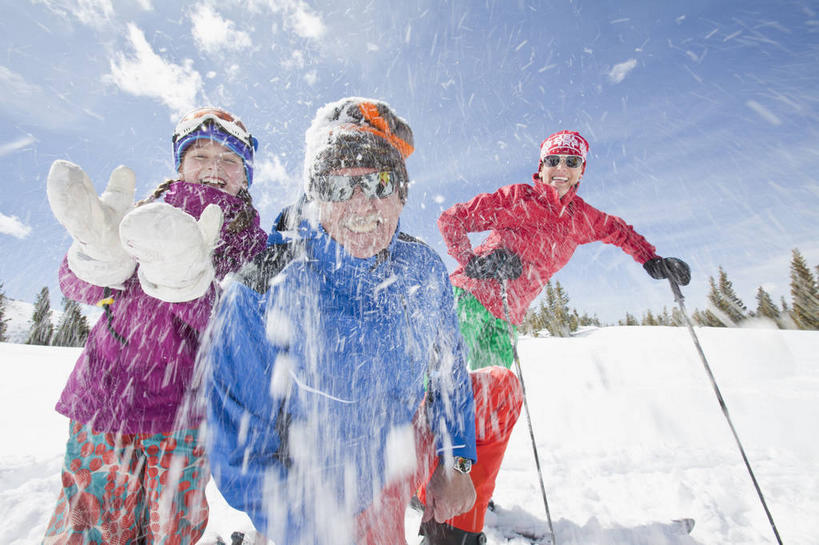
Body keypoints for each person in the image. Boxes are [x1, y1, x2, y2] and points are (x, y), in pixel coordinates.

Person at [204, 97, 522, 545]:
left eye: (377, 182)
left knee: (498, 390)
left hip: (397, 443)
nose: (360, 204)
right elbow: (239, 448)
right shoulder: (263, 285)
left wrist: (457, 463)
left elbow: (449, 379)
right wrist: (305, 525)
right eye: (337, 188)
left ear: (401, 193)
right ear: (315, 199)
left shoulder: (422, 270)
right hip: (327, 486)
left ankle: (450, 530)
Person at [41, 108, 267, 545]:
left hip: (184, 417)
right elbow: (78, 288)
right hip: (102, 401)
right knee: (91, 528)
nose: (214, 169)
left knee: (171, 530)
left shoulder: (250, 244)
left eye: (229, 160)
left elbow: (239, 333)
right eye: (201, 155)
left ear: (246, 175)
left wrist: (192, 288)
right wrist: (95, 257)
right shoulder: (143, 214)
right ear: (180, 165)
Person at [438, 130, 691, 370]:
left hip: (507, 317)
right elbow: (451, 219)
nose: (561, 168)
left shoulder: (581, 218)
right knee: (438, 375)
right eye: (552, 160)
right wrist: (471, 261)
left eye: (571, 161)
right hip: (469, 298)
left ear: (581, 171)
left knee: (492, 395)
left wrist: (652, 260)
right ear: (541, 167)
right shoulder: (519, 199)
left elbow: (619, 230)